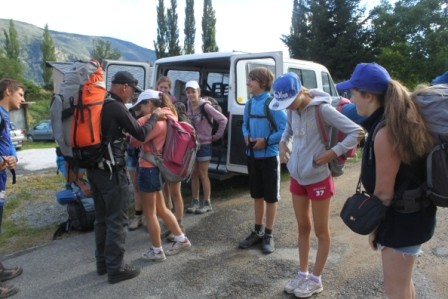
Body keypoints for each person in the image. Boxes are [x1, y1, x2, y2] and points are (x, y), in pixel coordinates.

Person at [336, 62, 436, 298]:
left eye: (353, 93)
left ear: (368, 95)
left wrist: (375, 230)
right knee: (403, 285)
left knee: (395, 290)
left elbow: (384, 194)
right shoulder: (396, 122)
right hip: (414, 217)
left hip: (401, 222)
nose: (350, 99)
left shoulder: (385, 132)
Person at [271, 72, 364, 298]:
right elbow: (289, 130)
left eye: (289, 101)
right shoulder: (293, 110)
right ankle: (303, 273)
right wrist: (284, 143)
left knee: (321, 230)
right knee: (303, 228)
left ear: (299, 92)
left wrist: (333, 152)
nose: (288, 107)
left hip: (319, 177)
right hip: (297, 176)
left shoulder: (322, 109)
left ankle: (316, 279)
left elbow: (357, 131)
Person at [86, 71, 165, 284]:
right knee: (117, 220)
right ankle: (117, 268)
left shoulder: (101, 103)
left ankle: (102, 264)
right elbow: (139, 133)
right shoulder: (116, 106)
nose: (133, 96)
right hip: (112, 171)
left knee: (101, 218)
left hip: (94, 169)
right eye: (132, 90)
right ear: (123, 87)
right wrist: (156, 116)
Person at [129, 89, 192, 261]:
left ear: (149, 103)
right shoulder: (167, 117)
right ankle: (181, 239)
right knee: (161, 209)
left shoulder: (156, 122)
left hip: (148, 168)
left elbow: (134, 140)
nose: (140, 110)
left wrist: (143, 120)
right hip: (154, 168)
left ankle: (157, 251)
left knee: (150, 213)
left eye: (141, 106)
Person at [238, 67, 287, 255]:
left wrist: (266, 141)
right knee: (257, 195)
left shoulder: (272, 104)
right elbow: (244, 124)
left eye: (251, 79)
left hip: (269, 158)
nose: (248, 83)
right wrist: (246, 136)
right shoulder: (249, 104)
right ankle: (257, 231)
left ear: (263, 83)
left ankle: (268, 234)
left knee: (271, 198)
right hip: (253, 157)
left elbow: (284, 129)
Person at [185, 80, 228, 214]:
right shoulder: (187, 104)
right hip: (192, 145)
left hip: (204, 144)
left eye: (194, 91)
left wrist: (216, 136)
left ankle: (207, 202)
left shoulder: (205, 106)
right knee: (193, 174)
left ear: (199, 92)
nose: (191, 94)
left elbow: (223, 120)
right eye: (188, 92)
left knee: (203, 174)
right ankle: (195, 201)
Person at [0, 79, 25, 298]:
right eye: (20, 94)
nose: (23, 99)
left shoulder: (3, 116)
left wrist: (11, 159)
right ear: (8, 91)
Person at [156, 76, 185, 240]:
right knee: (167, 192)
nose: (163, 89)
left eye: (165, 88)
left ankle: (178, 225)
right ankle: (171, 222)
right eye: (161, 87)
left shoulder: (169, 115)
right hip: (165, 158)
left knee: (174, 192)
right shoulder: (167, 113)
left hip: (173, 158)